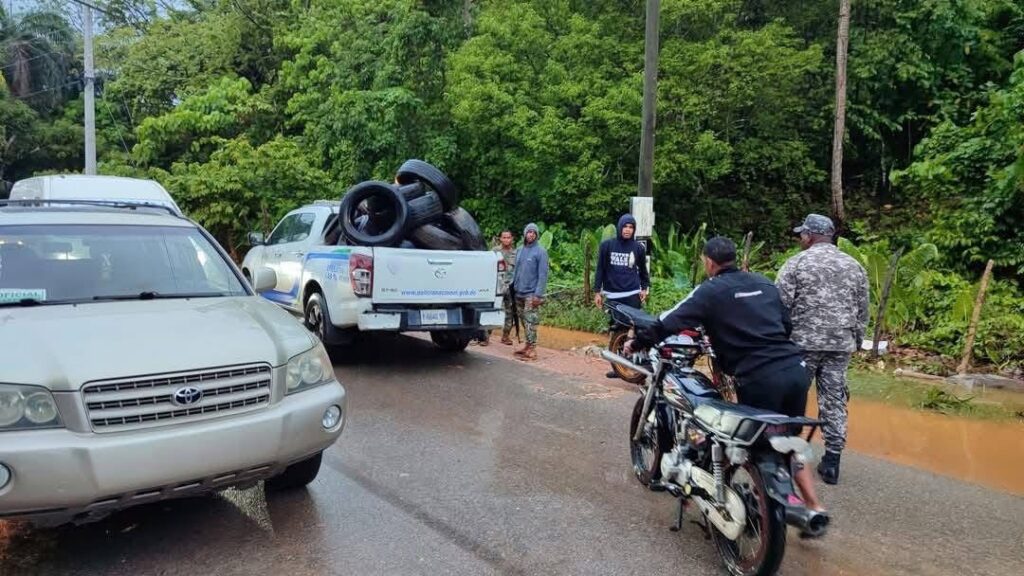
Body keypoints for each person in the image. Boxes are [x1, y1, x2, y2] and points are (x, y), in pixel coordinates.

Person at [626, 236, 827, 524]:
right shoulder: (764, 283)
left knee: (752, 446)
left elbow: (669, 321)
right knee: (789, 441)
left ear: (708, 262)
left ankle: (761, 514)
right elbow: (785, 325)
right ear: (734, 259)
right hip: (795, 370)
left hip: (759, 377)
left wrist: (639, 342)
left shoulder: (709, 291)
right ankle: (814, 507)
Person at [776, 214, 869, 485]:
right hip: (841, 344)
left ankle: (789, 452)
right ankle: (832, 461)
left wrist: (780, 341)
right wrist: (857, 340)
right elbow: (863, 309)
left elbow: (780, 305)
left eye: (802, 234)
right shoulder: (854, 266)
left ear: (810, 236)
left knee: (794, 395)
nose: (800, 239)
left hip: (802, 343)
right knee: (834, 397)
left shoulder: (797, 263)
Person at [593, 214, 650, 378]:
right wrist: (597, 291)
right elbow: (600, 270)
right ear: (620, 227)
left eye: (631, 227)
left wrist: (644, 288)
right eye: (625, 226)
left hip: (632, 293)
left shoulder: (638, 248)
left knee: (634, 328)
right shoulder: (607, 246)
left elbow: (643, 271)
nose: (628, 230)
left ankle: (636, 366)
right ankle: (619, 367)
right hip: (613, 294)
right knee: (617, 330)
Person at [473, 229, 519, 346]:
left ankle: (506, 336)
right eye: (504, 237)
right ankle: (486, 337)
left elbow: (517, 270)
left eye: (508, 237)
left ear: (512, 239)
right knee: (492, 310)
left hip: (510, 286)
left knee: (510, 312)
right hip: (496, 286)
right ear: (500, 239)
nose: (506, 240)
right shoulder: (494, 252)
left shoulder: (516, 253)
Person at [510, 223, 549, 361]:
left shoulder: (541, 252)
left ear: (536, 235)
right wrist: (511, 286)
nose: (531, 235)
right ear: (525, 234)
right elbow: (515, 270)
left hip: (531, 294)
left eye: (534, 233)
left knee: (530, 321)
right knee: (523, 321)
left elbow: (543, 275)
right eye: (529, 232)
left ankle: (532, 348)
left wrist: (538, 295)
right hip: (518, 292)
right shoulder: (520, 250)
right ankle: (527, 345)